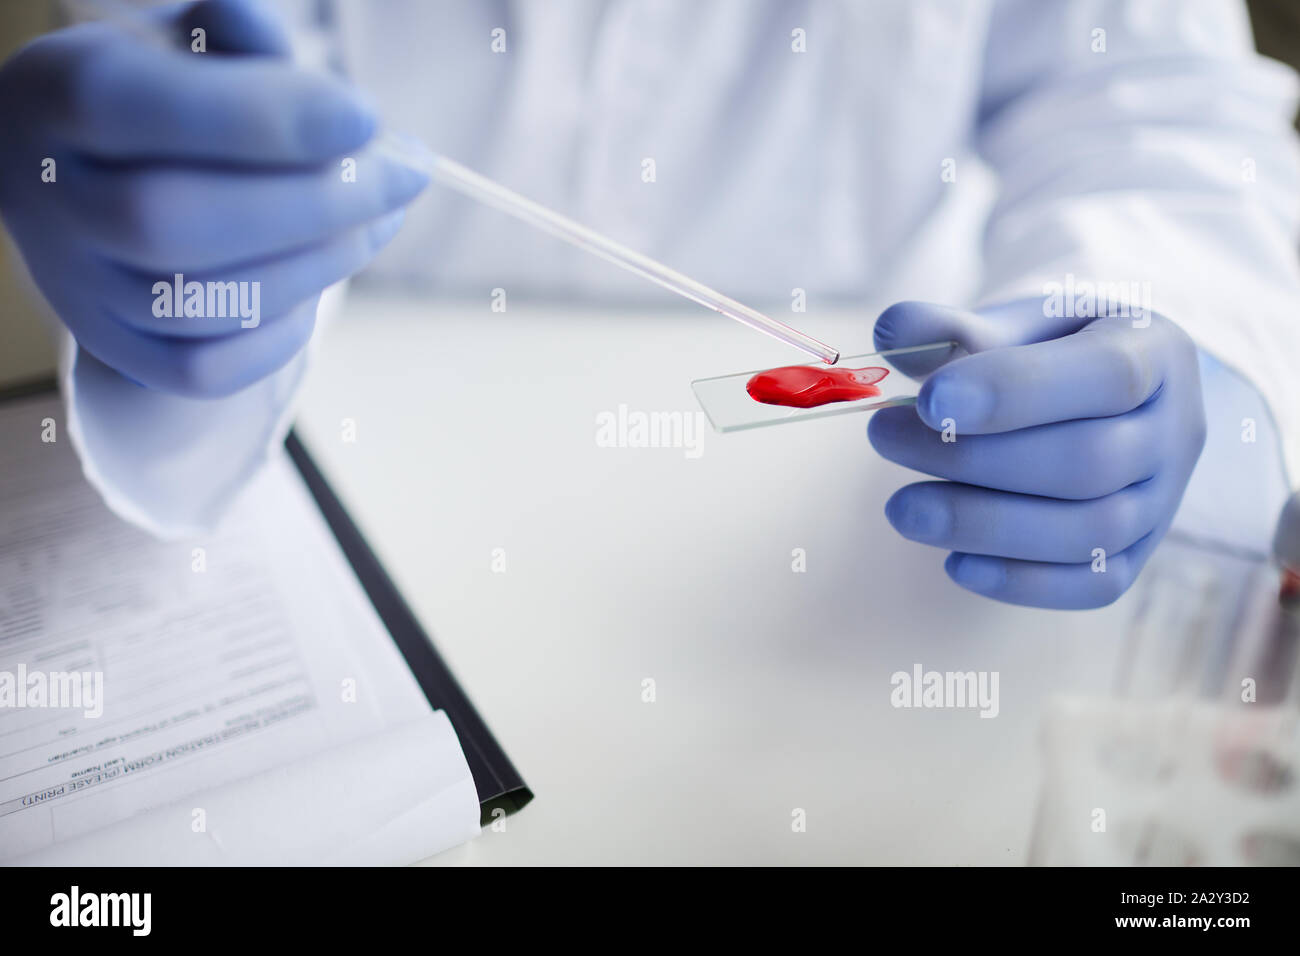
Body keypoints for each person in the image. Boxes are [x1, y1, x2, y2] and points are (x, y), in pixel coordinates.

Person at [1, 0, 1298, 609]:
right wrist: (160, 222)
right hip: (373, 482)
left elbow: (1152, 105)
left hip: (818, 562)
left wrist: (1138, 316)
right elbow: (198, 48)